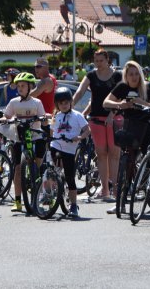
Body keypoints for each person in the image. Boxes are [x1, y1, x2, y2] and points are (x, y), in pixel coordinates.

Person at [103, 61, 150, 214]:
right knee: (127, 163)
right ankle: (120, 202)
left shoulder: (148, 87)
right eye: (131, 74)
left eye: (136, 74)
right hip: (130, 128)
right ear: (126, 76)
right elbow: (106, 102)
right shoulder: (122, 87)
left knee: (149, 162)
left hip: (147, 129)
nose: (134, 77)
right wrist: (120, 105)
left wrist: (141, 103)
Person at [72, 49, 122, 199]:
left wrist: (112, 113)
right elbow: (80, 92)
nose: (98, 64)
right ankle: (104, 189)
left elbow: (122, 95)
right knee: (101, 154)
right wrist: (69, 106)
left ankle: (115, 189)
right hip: (96, 118)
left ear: (108, 60)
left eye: (101, 61)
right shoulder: (91, 75)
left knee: (114, 154)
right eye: (96, 61)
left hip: (115, 117)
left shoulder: (118, 75)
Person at [1, 72, 48, 212]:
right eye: (18, 86)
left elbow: (43, 117)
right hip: (19, 137)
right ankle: (18, 201)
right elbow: (7, 115)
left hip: (35, 136)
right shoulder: (14, 102)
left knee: (39, 166)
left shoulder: (36, 102)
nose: (20, 88)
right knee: (17, 169)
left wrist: (43, 119)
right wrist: (6, 119)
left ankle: (40, 194)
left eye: (23, 86)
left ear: (30, 87)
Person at [50, 87, 90, 218]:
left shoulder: (77, 116)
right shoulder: (56, 116)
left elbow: (87, 130)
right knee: (53, 171)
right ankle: (50, 194)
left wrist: (79, 137)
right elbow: (52, 131)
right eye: (61, 103)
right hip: (56, 146)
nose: (64, 105)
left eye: (66, 102)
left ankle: (73, 205)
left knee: (70, 178)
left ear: (71, 102)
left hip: (69, 150)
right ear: (57, 104)